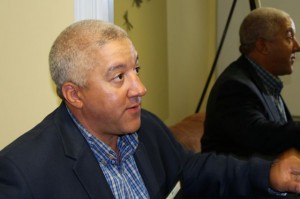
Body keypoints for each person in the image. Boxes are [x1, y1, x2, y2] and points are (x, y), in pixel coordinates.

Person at [1, 20, 300, 199]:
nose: (140, 88)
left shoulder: (146, 127)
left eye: (136, 69)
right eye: (119, 76)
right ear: (74, 94)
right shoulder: (23, 172)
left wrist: (270, 173)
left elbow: (193, 169)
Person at [202, 7, 300, 159]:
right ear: (262, 46)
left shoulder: (266, 83)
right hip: (240, 182)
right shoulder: (234, 87)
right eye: (289, 37)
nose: (297, 46)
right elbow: (263, 136)